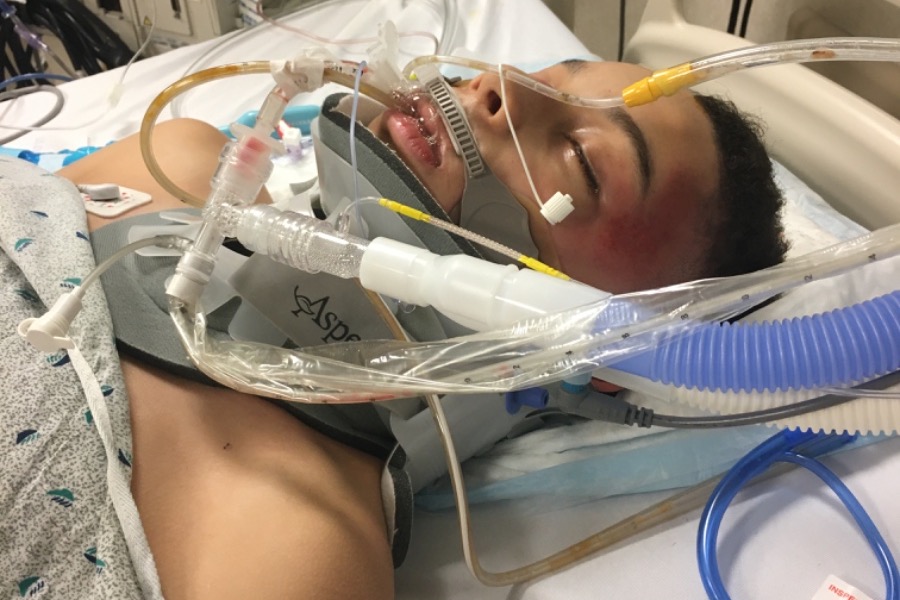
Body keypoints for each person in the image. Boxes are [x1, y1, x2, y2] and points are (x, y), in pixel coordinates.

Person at [1, 58, 786, 600]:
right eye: (545, 77)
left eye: (581, 158)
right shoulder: (177, 158)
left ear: (607, 355)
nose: (499, 86)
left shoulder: (295, 556)